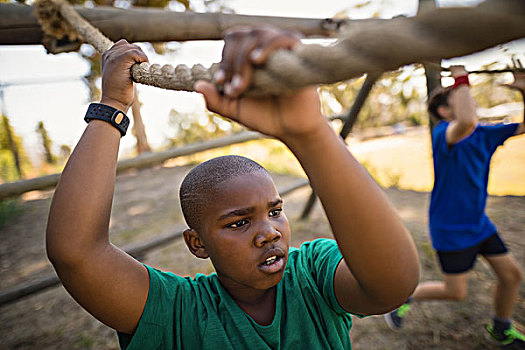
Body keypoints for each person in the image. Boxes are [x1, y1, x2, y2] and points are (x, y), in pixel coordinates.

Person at [46, 27, 420, 349]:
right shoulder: (179, 311)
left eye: (275, 211)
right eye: (239, 223)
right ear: (198, 244)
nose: (270, 232)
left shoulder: (313, 276)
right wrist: (111, 105)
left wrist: (311, 134)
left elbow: (392, 286)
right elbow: (76, 253)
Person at [385, 65, 525, 347]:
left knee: (511, 276)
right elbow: (467, 121)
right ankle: (403, 298)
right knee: (455, 292)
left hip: (479, 224)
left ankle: (500, 328)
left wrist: (523, 90)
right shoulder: (444, 133)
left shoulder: (485, 133)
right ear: (445, 112)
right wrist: (461, 78)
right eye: (463, 98)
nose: (470, 100)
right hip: (451, 229)